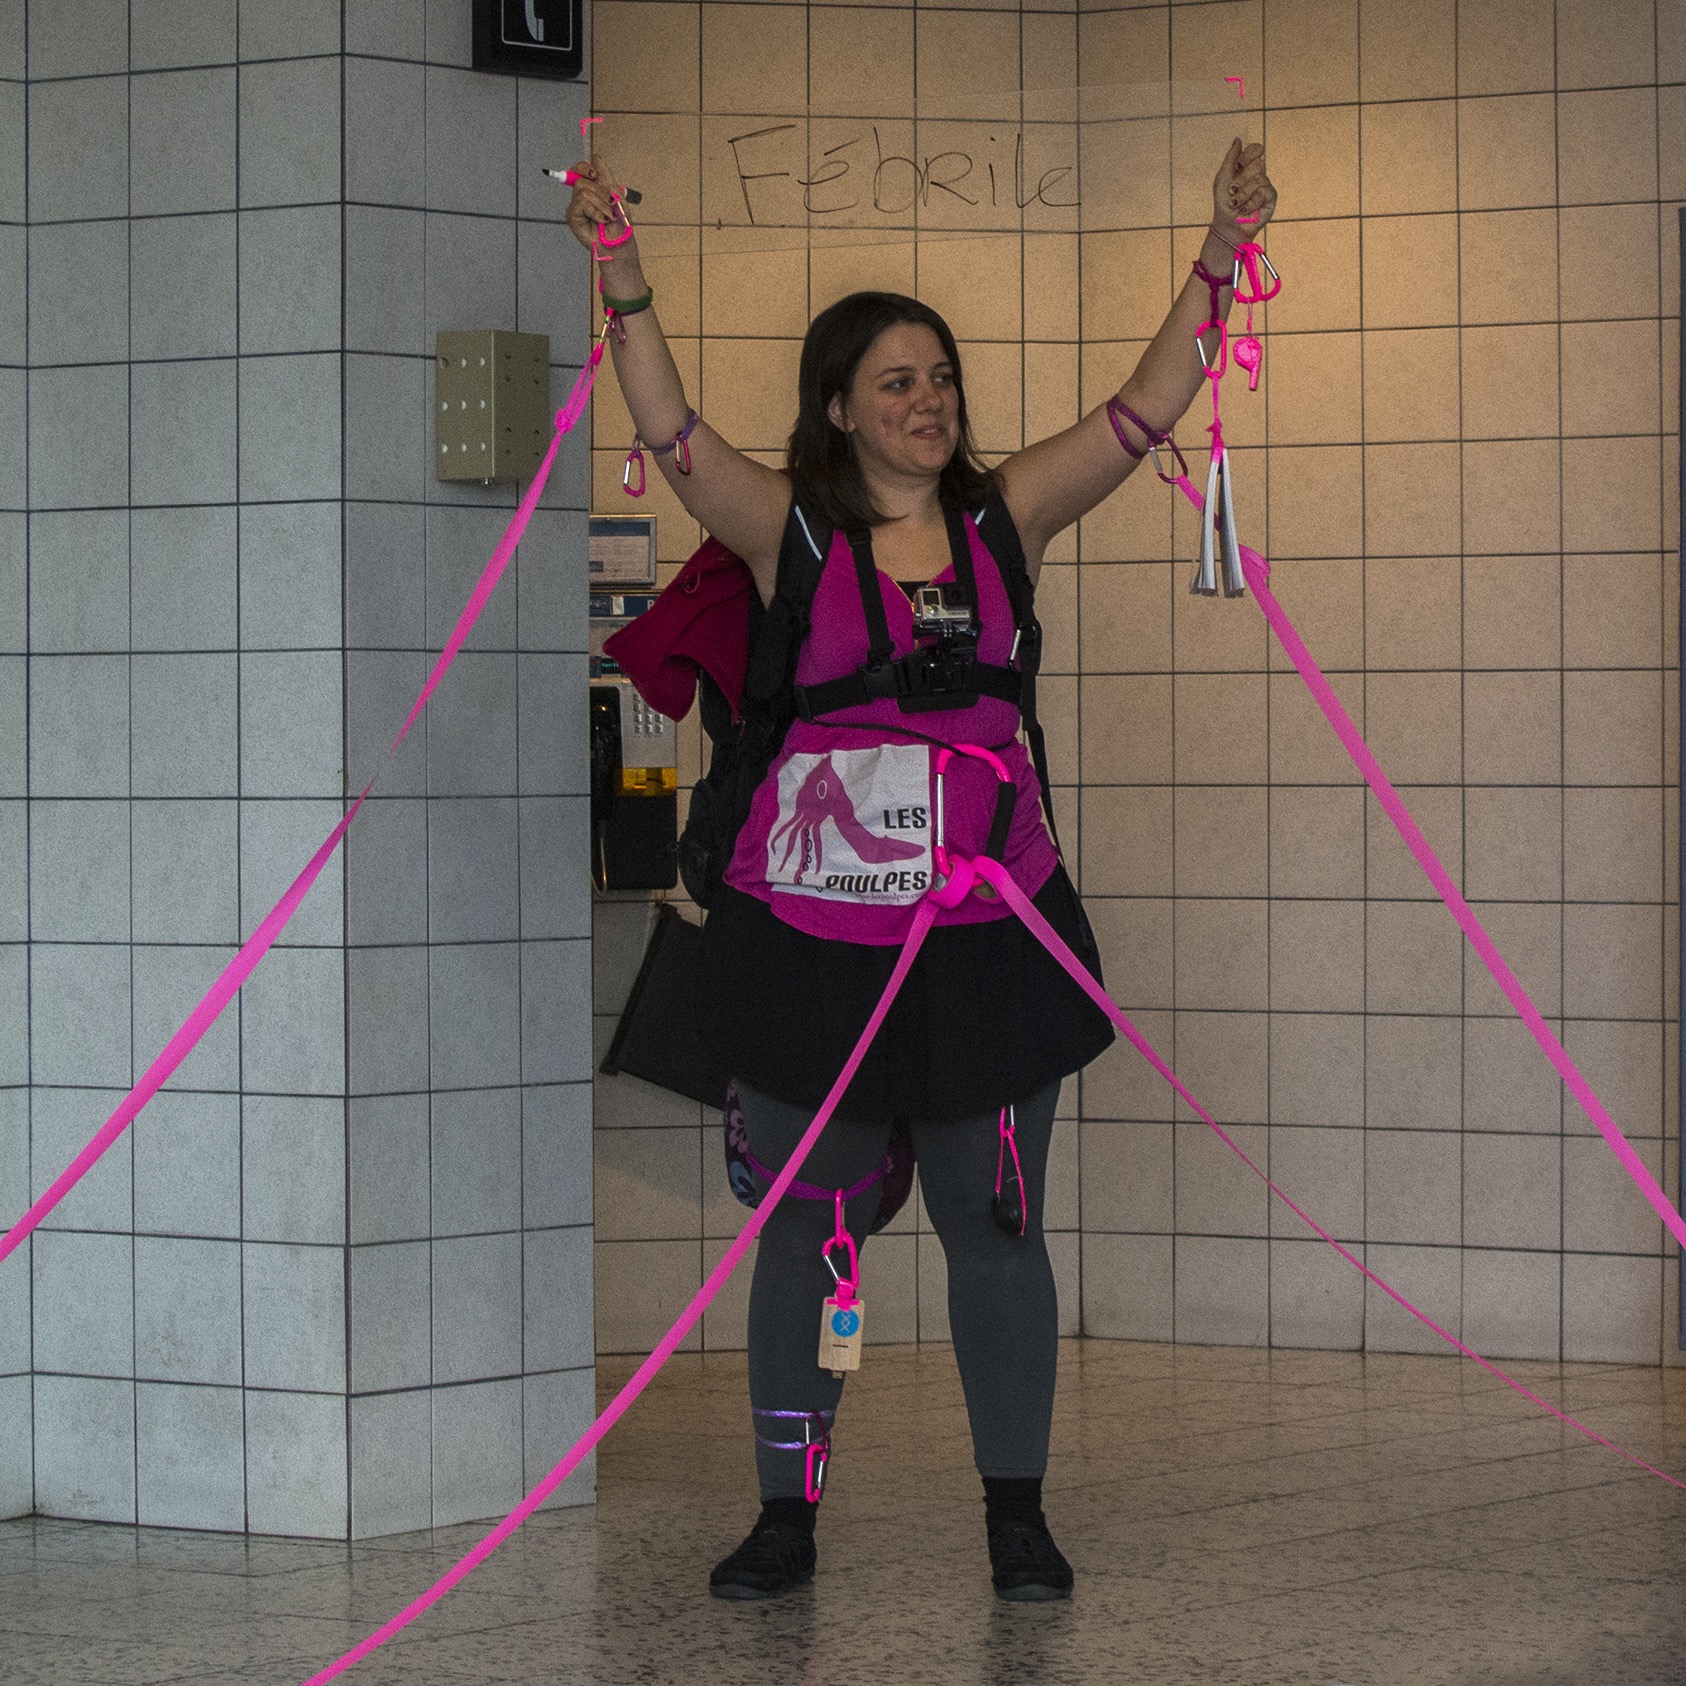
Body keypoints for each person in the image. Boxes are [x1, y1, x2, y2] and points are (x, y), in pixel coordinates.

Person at [566, 139, 1278, 1602]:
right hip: (811, 952)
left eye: (940, 377)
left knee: (995, 1224)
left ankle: (1016, 1516)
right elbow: (675, 434)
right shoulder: (790, 531)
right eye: (894, 381)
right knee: (812, 1235)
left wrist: (1219, 250)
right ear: (838, 407)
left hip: (988, 948)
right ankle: (787, 1516)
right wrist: (623, 278)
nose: (927, 400)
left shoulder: (1010, 517)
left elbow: (1147, 407)